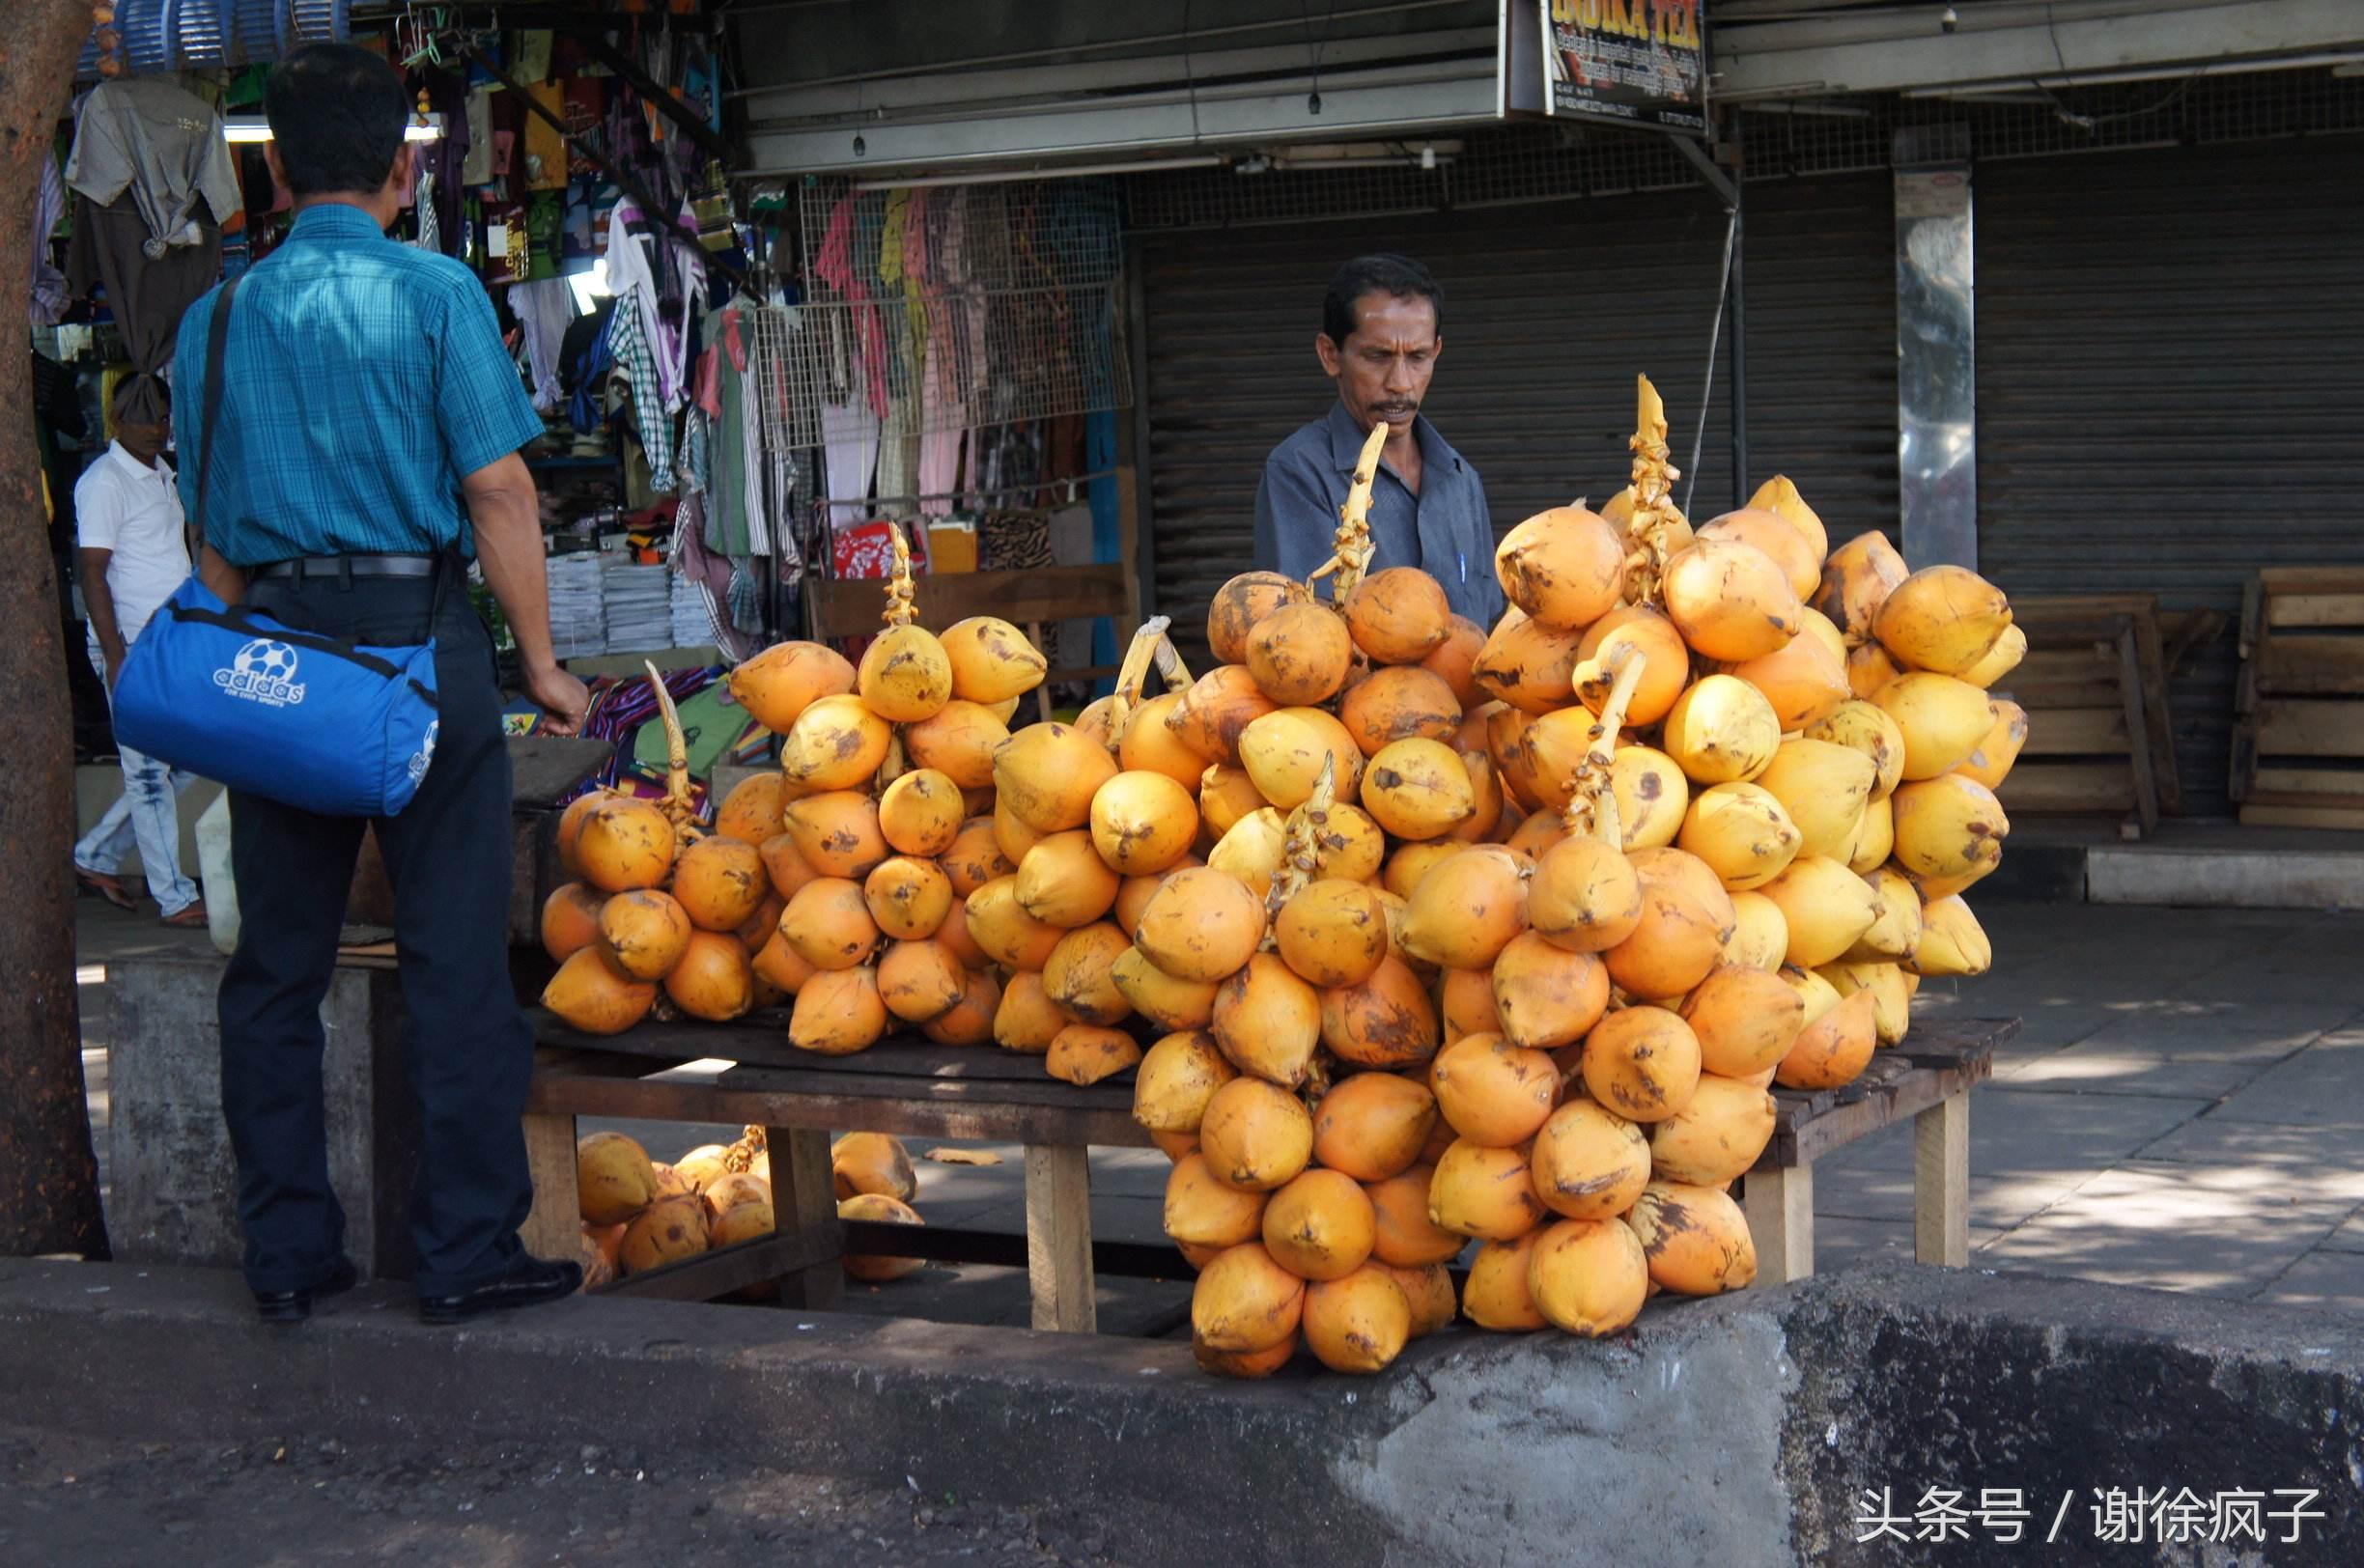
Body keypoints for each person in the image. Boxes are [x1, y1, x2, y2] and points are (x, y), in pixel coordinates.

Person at [173, 44, 591, 1327]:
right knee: (455, 961)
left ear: (278, 173)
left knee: (275, 971)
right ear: (406, 170)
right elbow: (501, 489)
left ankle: (290, 1259)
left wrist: (233, 678)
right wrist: (541, 662)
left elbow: (211, 530)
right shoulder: (437, 291)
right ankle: (467, 1253)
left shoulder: (219, 317)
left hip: (280, 655)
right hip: (419, 644)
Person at [1252, 253, 1505, 627]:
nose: (1401, 382)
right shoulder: (1299, 473)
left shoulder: (1461, 480)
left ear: (1436, 351)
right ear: (1330, 355)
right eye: (1378, 357)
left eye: (1418, 357)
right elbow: (1306, 641)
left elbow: (1490, 631)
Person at [70, 377, 206, 926]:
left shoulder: (165, 473)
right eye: (145, 417)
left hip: (169, 643)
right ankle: (173, 897)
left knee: (193, 758)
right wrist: (115, 655)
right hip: (128, 647)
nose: (158, 427)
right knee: (147, 772)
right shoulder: (103, 481)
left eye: (163, 416)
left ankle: (95, 854)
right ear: (117, 418)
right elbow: (93, 574)